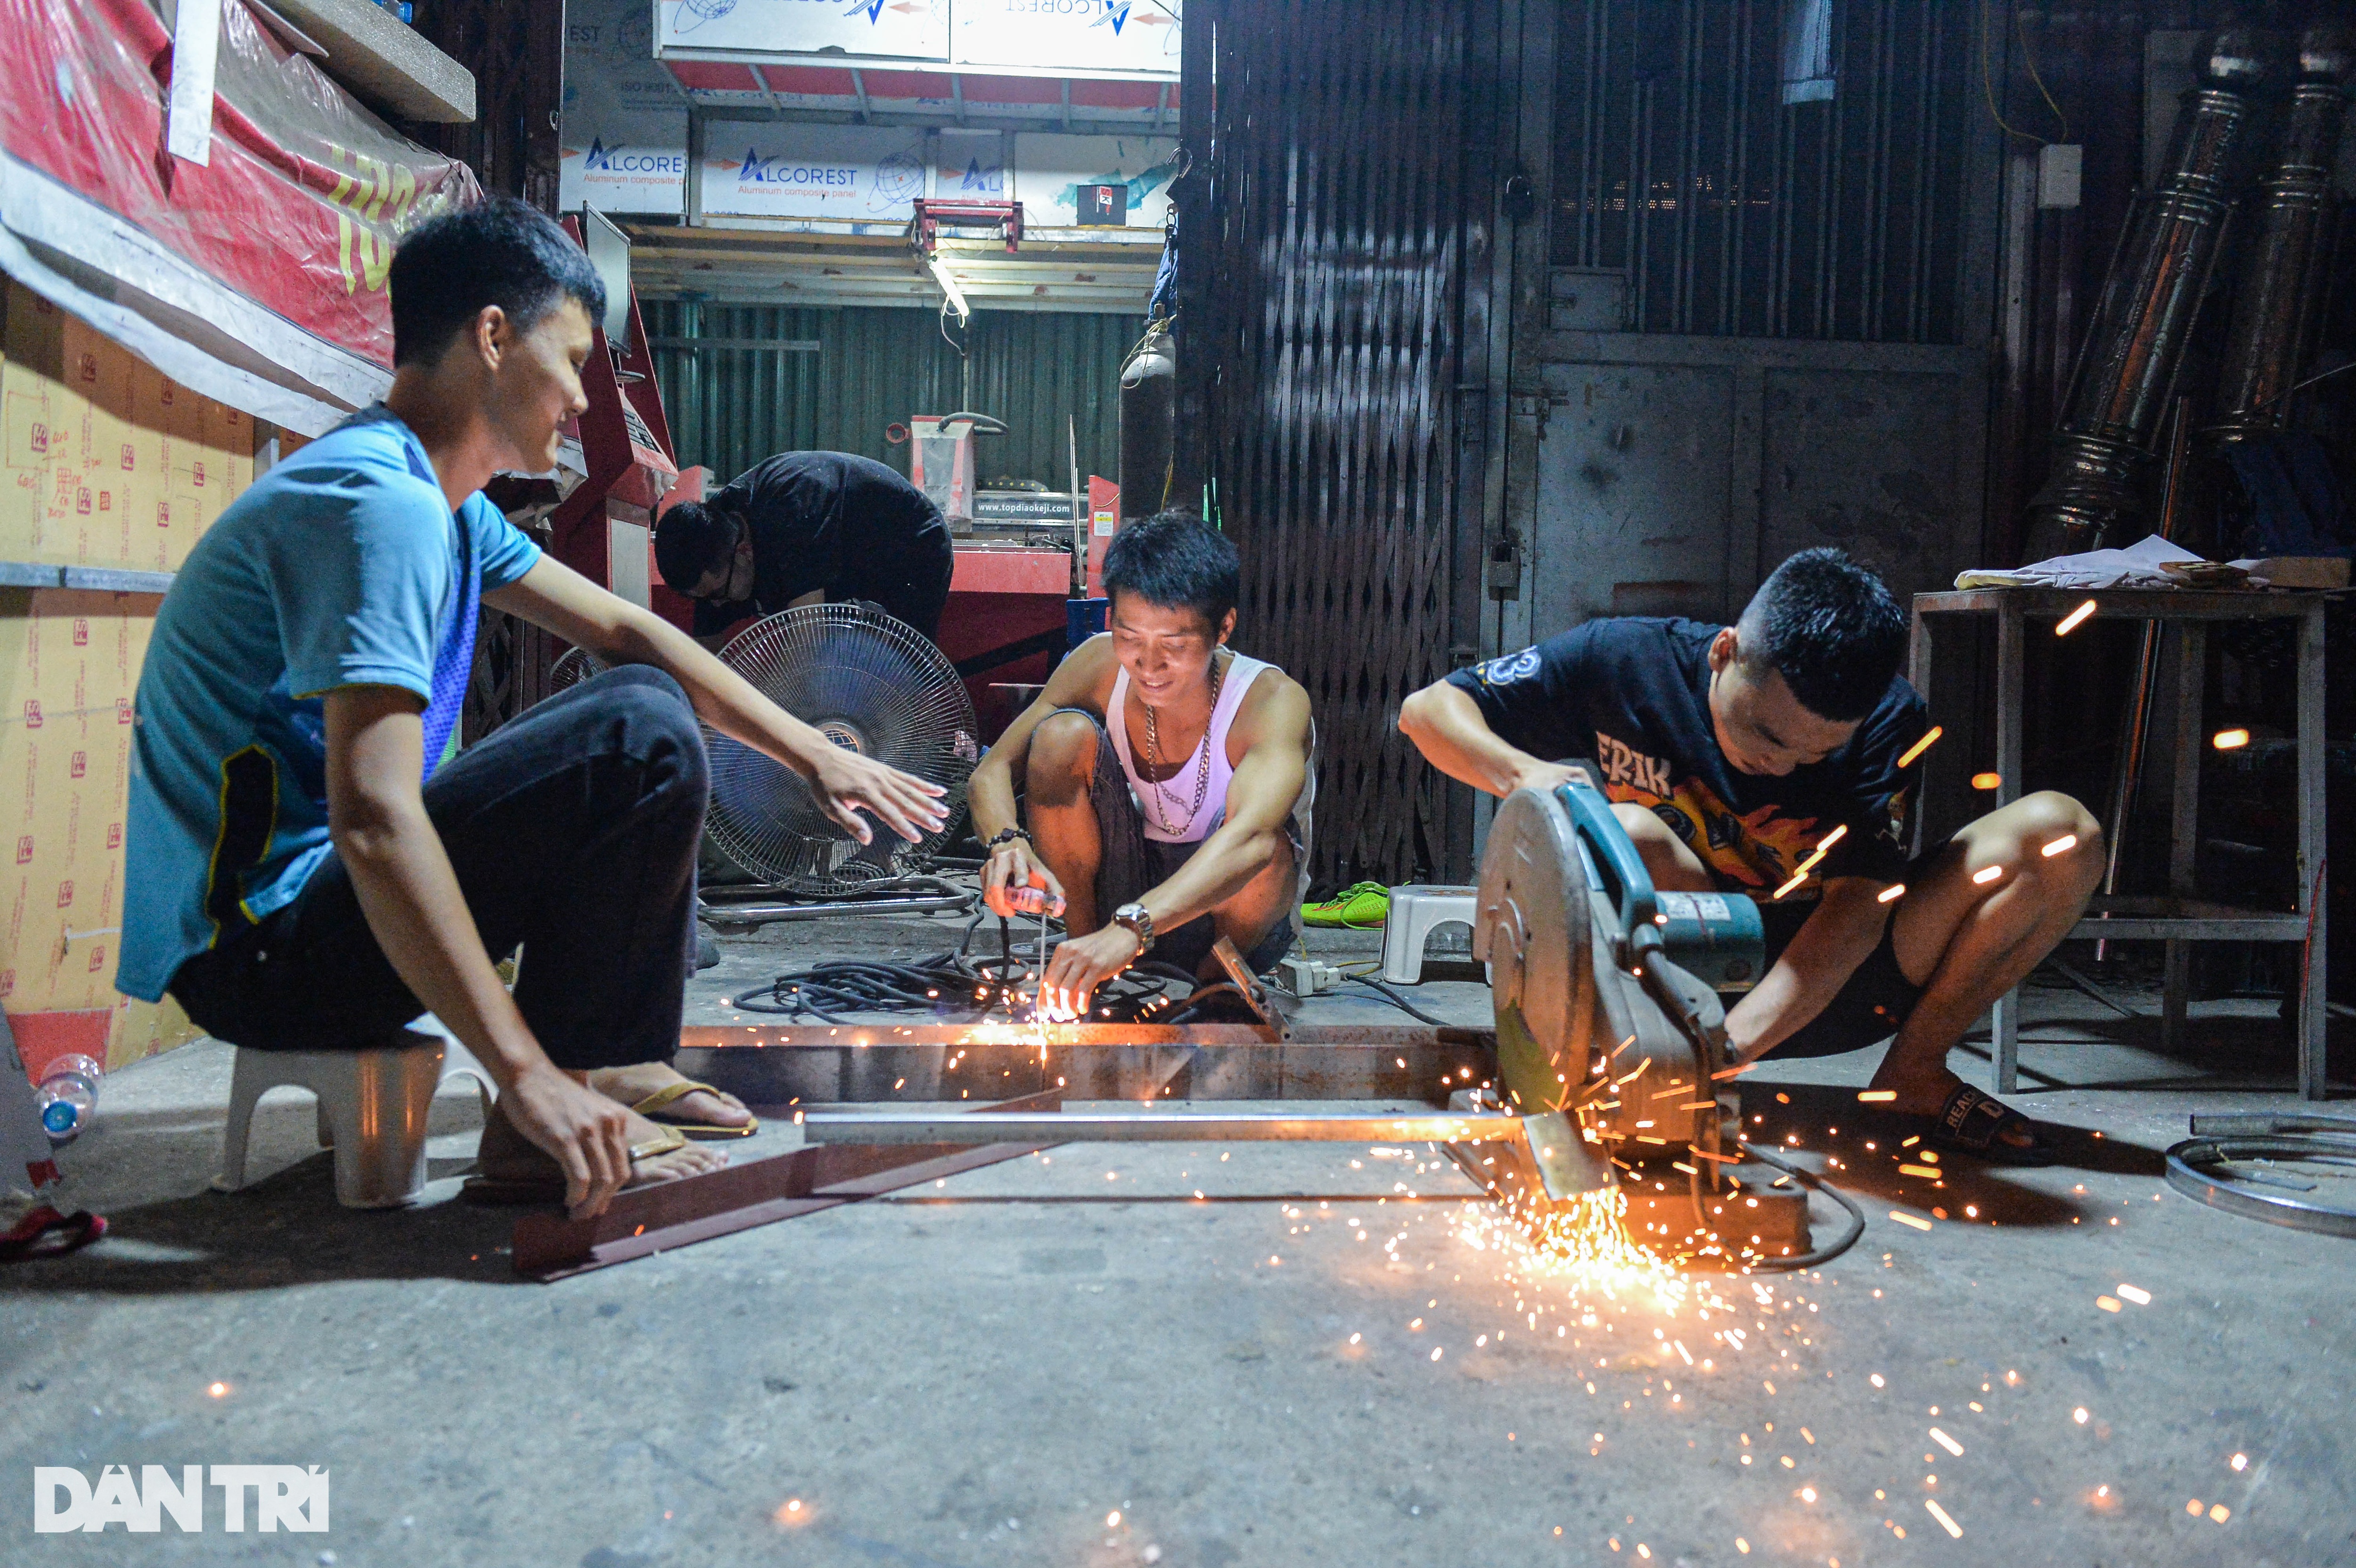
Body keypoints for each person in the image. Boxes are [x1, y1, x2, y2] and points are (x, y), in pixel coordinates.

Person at [122, 198, 948, 1220]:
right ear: (492, 336)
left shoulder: (444, 506)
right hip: (260, 951)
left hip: (316, 922)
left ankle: (613, 1061)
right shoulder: (379, 506)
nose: (578, 401)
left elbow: (634, 635)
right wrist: (522, 1074)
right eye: (569, 362)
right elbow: (375, 820)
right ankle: (558, 1095)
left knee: (643, 696)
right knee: (635, 731)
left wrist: (808, 753)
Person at [1398, 547, 2102, 1163]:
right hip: (1685, 961)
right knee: (1628, 830)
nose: (1780, 764)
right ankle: (1592, 1058)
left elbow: (1858, 913)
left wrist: (1723, 1054)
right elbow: (1426, 711)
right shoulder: (1620, 658)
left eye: (1815, 752)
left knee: (2062, 834)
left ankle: (1914, 1075)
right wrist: (1523, 774)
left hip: (1840, 975)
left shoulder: (1891, 718)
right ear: (1725, 650)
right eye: (1765, 731)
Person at [967, 512, 1314, 1012]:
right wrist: (1006, 843)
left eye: (1173, 645)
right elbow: (990, 773)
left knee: (1267, 843)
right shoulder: (1097, 665)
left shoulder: (1270, 702)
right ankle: (1079, 964)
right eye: (1130, 639)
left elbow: (1251, 842)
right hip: (1119, 909)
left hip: (1233, 923)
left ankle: (1213, 991)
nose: (1148, 666)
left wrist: (1133, 928)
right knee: (1059, 737)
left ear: (1223, 629)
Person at [652, 451, 955, 644]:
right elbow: (706, 661)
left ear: (743, 550)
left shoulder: (790, 514)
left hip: (908, 548)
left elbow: (807, 649)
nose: (715, 606)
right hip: (837, 559)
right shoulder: (710, 543)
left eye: (718, 595)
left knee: (896, 666)